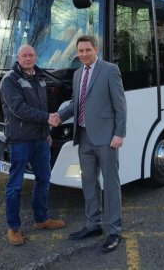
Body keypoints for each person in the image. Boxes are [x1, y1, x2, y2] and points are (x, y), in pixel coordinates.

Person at [52, 35, 127, 253]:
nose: (84, 54)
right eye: (80, 51)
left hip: (106, 138)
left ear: (96, 49)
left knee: (111, 184)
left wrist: (119, 133)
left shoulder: (110, 70)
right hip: (83, 136)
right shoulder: (77, 74)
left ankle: (114, 230)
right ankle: (93, 224)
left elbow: (120, 106)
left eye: (88, 50)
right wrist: (59, 115)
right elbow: (77, 103)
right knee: (88, 182)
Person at [0, 44, 65, 246]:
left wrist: (46, 133)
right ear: (18, 58)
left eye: (31, 55)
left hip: (40, 140)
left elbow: (42, 106)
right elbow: (19, 110)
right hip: (20, 140)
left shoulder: (39, 77)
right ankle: (13, 228)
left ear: (36, 57)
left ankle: (41, 219)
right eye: (24, 55)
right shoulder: (9, 80)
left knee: (44, 179)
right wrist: (48, 119)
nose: (28, 58)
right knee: (15, 186)